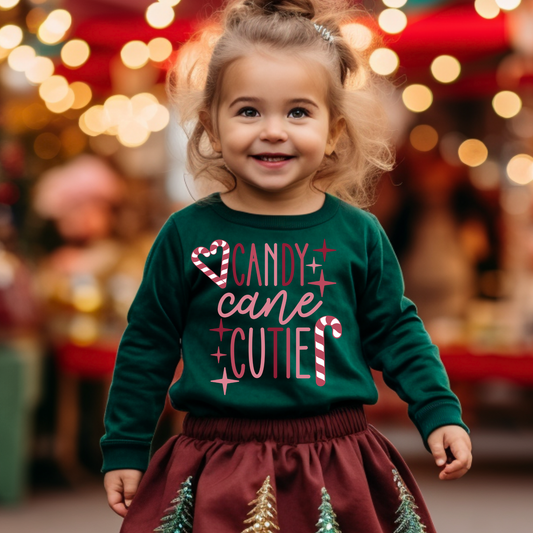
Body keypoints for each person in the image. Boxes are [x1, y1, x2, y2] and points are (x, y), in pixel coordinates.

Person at [101, 1, 472, 531]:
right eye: (248, 111)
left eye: (298, 112)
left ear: (335, 130)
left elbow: (396, 330)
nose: (273, 130)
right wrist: (125, 447)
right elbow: (147, 345)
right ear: (210, 124)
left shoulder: (358, 234)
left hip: (336, 463)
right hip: (215, 463)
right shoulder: (185, 236)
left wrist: (438, 411)